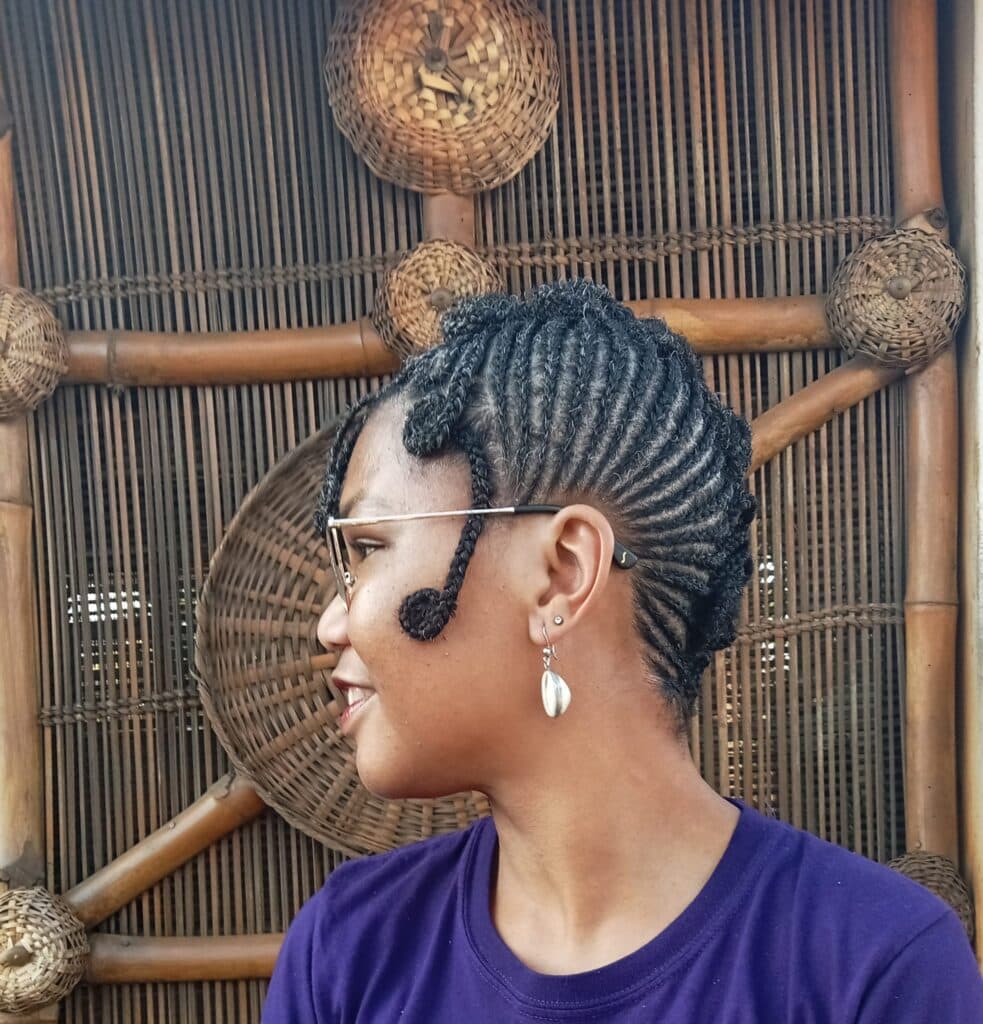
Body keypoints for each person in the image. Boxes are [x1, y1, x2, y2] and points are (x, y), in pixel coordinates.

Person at [262, 280, 983, 1022]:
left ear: (560, 576)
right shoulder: (345, 954)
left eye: (367, 548)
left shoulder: (875, 969)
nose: (330, 624)